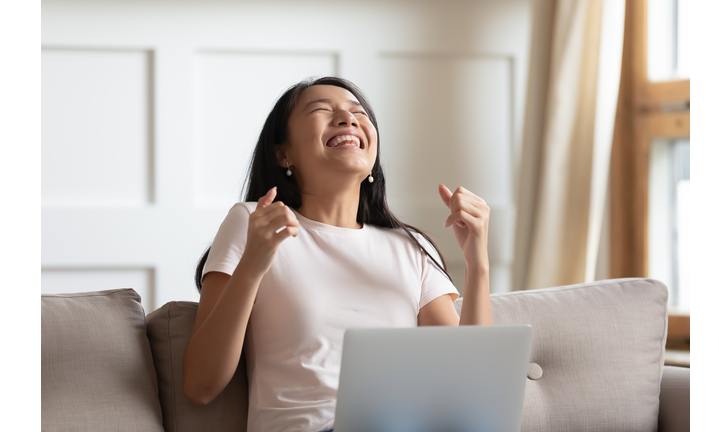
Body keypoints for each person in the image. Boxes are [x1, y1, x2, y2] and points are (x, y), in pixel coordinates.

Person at [182, 76, 493, 432]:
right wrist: (252, 266)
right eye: (322, 110)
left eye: (358, 113)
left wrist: (477, 262)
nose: (348, 119)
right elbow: (199, 386)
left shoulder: (410, 248)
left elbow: (474, 392)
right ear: (283, 152)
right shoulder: (255, 223)